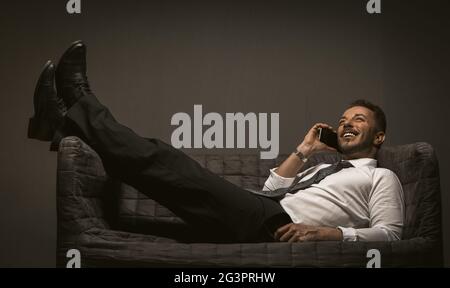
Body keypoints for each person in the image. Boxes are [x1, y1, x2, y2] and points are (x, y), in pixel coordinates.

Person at [27, 41, 404, 244]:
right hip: (262, 209)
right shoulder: (324, 167)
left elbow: (391, 234)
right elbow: (271, 189)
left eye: (358, 119)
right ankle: (62, 123)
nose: (346, 123)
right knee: (157, 173)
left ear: (379, 136)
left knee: (164, 161)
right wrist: (304, 152)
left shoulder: (380, 178)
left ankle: (77, 105)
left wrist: (327, 233)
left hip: (272, 226)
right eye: (343, 119)